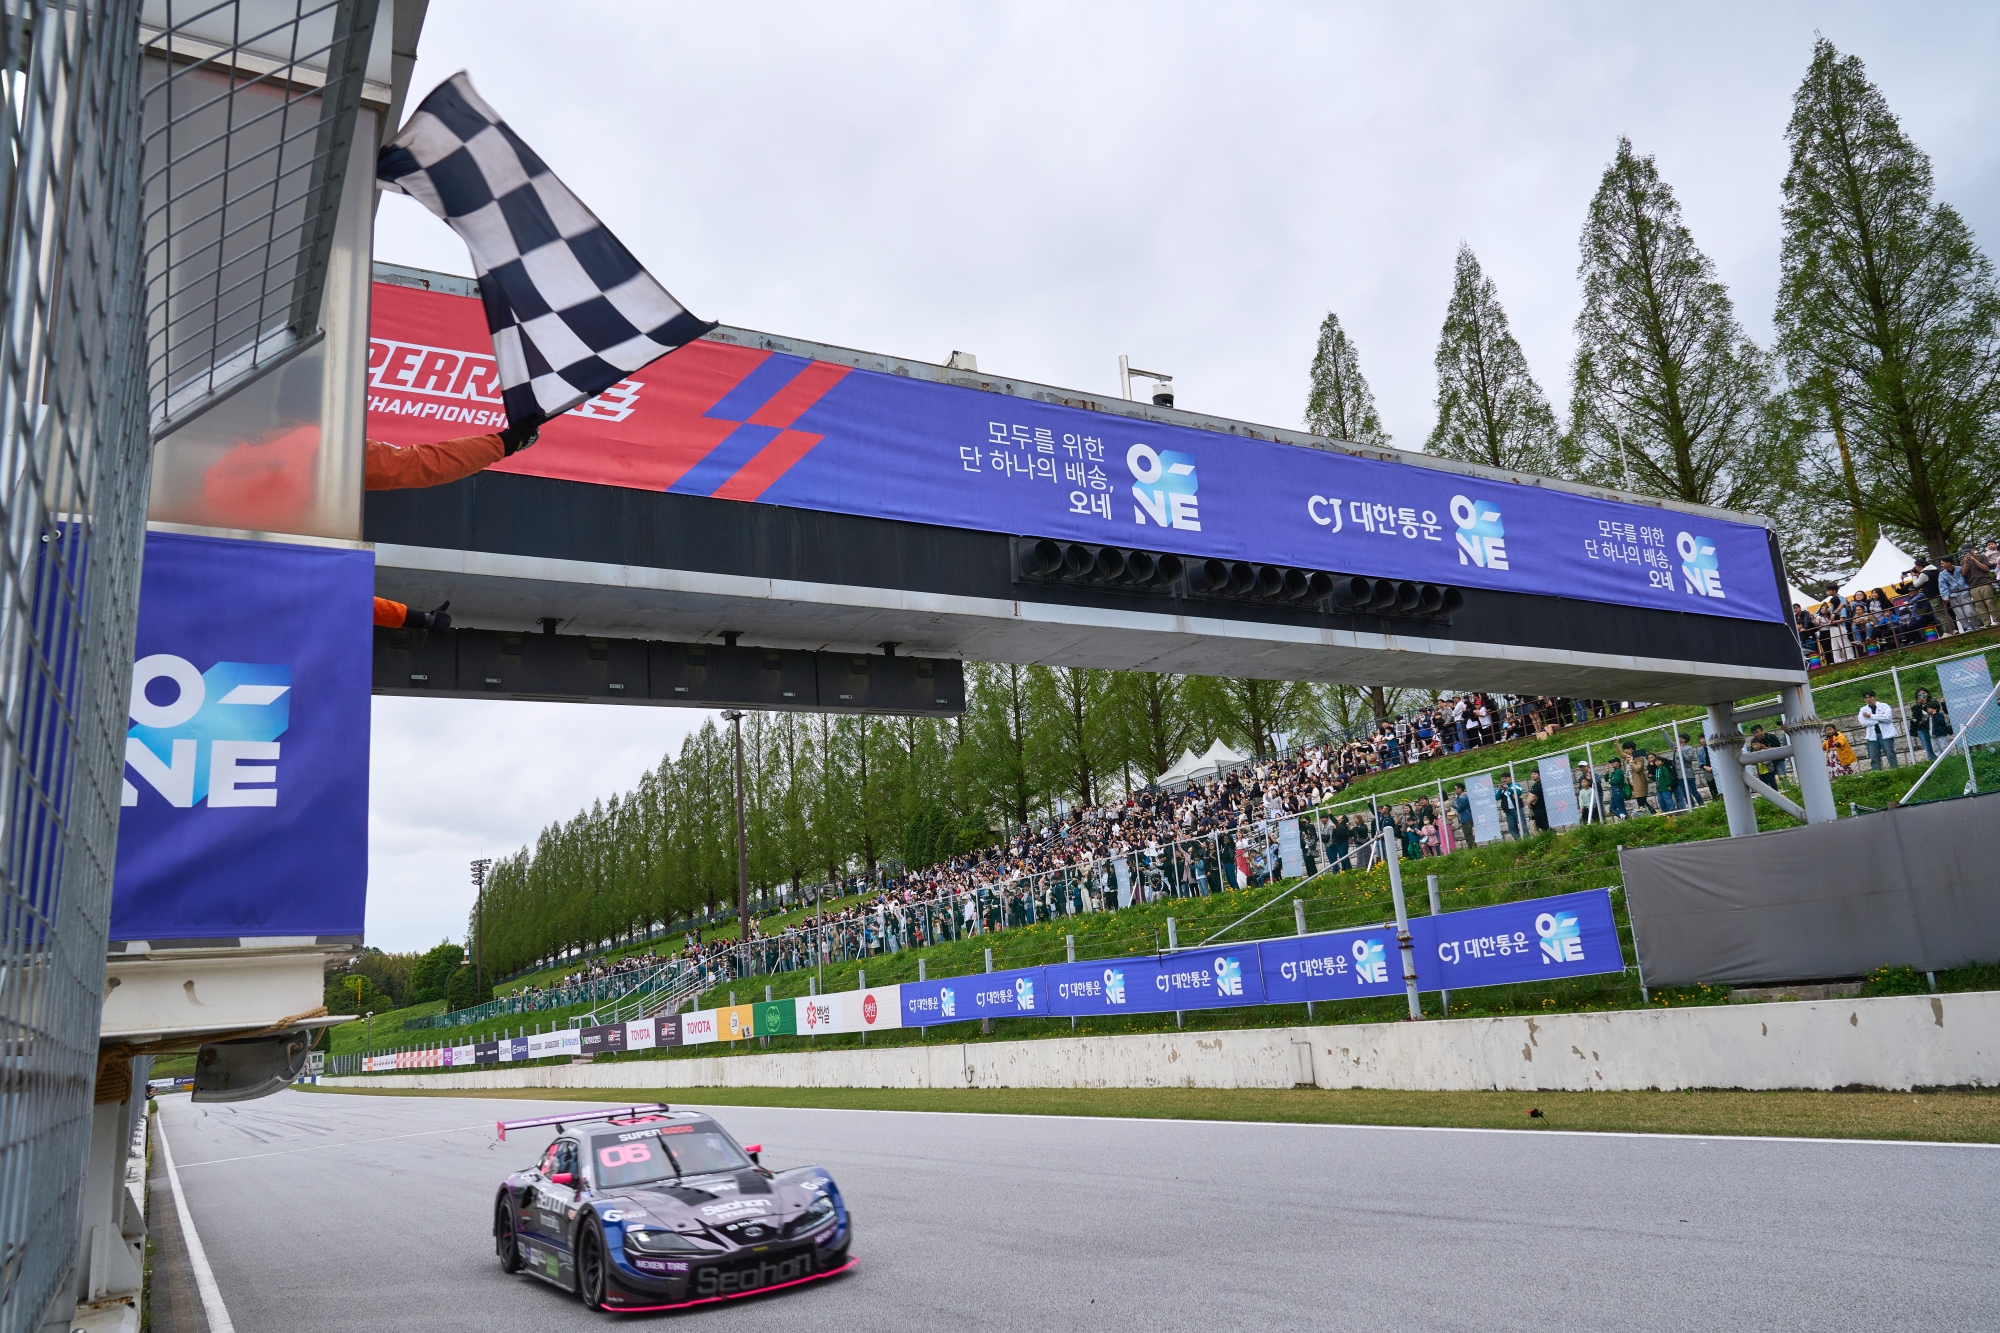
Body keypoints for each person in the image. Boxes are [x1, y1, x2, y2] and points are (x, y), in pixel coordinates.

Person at [1857, 690, 1899, 770]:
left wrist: (1871, 716)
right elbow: (1863, 722)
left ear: (1874, 697)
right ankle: (1877, 773)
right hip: (1872, 736)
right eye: (1866, 698)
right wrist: (1879, 719)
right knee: (1874, 758)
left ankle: (1896, 771)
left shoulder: (1884, 706)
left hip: (1886, 735)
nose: (1868, 699)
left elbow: (1888, 718)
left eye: (1870, 697)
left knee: (1890, 755)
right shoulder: (1863, 709)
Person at [1908, 687, 1950, 761]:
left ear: (1927, 694)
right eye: (1920, 694)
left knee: (1940, 746)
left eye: (1924, 693)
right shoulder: (1916, 707)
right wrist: (1919, 705)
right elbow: (1916, 717)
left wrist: (1926, 704)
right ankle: (1932, 761)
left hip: (1934, 727)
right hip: (1923, 728)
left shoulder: (1933, 703)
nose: (1922, 695)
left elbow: (1934, 713)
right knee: (1928, 748)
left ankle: (1945, 760)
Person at [1963, 547, 1997, 629]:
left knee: (1989, 602)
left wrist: (1974, 560)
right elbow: (1964, 573)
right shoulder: (1963, 561)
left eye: (1969, 550)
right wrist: (1966, 562)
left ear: (1973, 549)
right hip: (1973, 585)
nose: (1968, 552)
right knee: (1979, 605)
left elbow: (1986, 568)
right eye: (1965, 551)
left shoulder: (1982, 556)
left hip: (1985, 583)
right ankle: (1986, 623)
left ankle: (1997, 620)